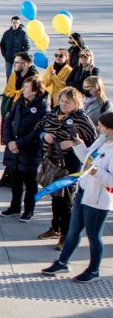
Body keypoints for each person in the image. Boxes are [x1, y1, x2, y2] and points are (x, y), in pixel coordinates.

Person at [41, 111, 113, 283]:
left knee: (94, 236)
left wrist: (96, 172)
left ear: (111, 129)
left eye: (101, 126)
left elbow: (110, 180)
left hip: (98, 200)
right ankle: (62, 262)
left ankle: (93, 270)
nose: (98, 127)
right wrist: (77, 144)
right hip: (84, 193)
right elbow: (86, 160)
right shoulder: (102, 141)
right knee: (73, 230)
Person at [39, 87, 97, 251]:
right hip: (52, 163)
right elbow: (39, 128)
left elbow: (92, 142)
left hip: (70, 164)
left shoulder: (81, 119)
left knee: (66, 201)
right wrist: (45, 136)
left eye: (67, 102)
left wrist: (73, 144)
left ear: (75, 103)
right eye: (62, 101)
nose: (63, 105)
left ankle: (66, 235)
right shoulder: (54, 113)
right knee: (55, 196)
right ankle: (55, 228)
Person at [0, 75, 48, 222]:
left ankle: (29, 210)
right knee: (16, 181)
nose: (23, 90)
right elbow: (8, 121)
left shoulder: (43, 107)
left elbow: (38, 131)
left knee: (30, 183)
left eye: (27, 88)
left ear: (35, 91)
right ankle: (14, 206)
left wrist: (18, 143)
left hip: (30, 151)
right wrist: (9, 141)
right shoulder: (20, 102)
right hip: (14, 149)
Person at [0, 16, 30, 80]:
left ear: (19, 24)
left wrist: (21, 55)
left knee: (18, 75)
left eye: (17, 23)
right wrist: (4, 54)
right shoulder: (7, 33)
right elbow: (2, 44)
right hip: (8, 58)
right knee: (8, 75)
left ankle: (17, 88)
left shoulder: (23, 34)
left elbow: (27, 46)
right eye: (14, 22)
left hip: (18, 59)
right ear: (11, 23)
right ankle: (8, 88)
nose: (15, 24)